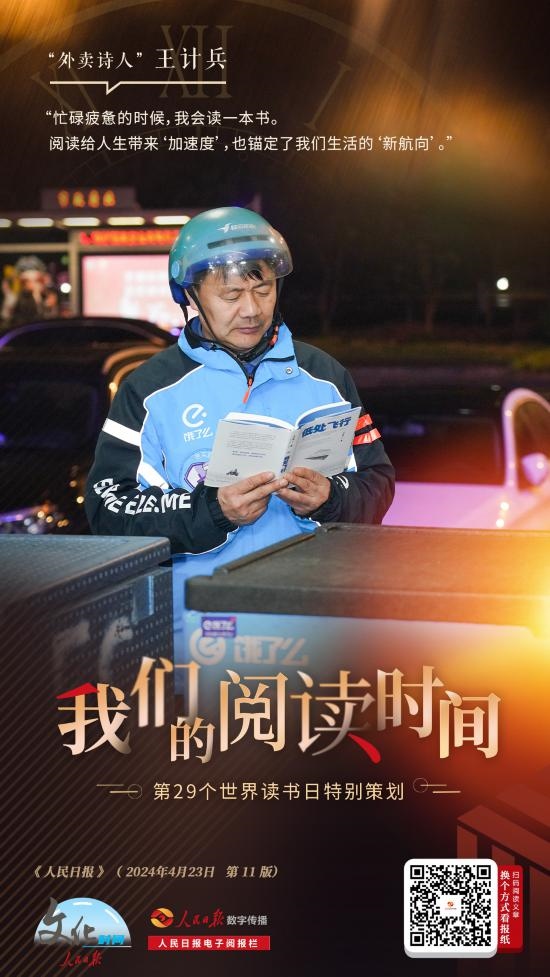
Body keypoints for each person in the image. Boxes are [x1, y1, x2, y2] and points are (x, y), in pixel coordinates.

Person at [85, 206, 394, 580]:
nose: (251, 310)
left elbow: (377, 482)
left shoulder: (326, 377)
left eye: (263, 290)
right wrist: (213, 511)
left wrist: (332, 498)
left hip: (312, 604)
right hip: (198, 611)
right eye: (231, 295)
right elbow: (108, 512)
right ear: (189, 295)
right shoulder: (149, 389)